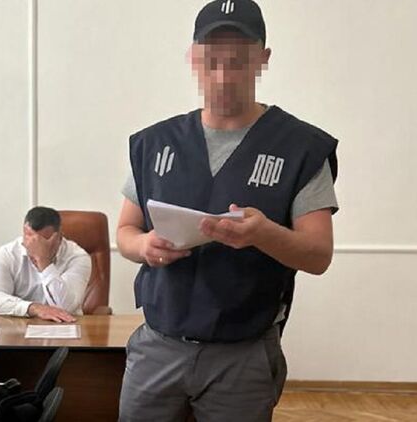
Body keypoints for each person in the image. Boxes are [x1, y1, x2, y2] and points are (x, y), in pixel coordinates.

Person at [116, 1, 339, 421]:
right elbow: (126, 230)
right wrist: (144, 246)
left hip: (243, 354)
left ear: (263, 59)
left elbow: (318, 255)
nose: (222, 76)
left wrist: (263, 233)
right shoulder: (156, 144)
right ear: (192, 58)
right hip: (157, 346)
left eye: (237, 62)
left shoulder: (300, 148)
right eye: (211, 61)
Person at [0, 206, 92, 322]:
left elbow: (66, 307)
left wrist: (44, 261)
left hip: (66, 326)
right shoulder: (7, 254)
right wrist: (34, 308)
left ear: (59, 236)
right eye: (29, 237)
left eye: (43, 240)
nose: (35, 245)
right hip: (20, 327)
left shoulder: (77, 257)